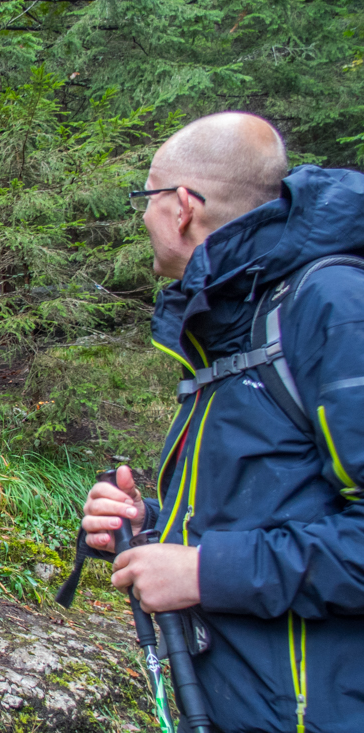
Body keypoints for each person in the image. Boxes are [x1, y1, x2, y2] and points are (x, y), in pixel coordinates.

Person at [80, 112, 364, 732]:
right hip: (246, 699)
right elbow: (280, 503)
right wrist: (151, 527)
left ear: (181, 206)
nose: (144, 216)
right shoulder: (234, 321)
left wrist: (203, 573)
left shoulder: (333, 309)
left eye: (146, 198)